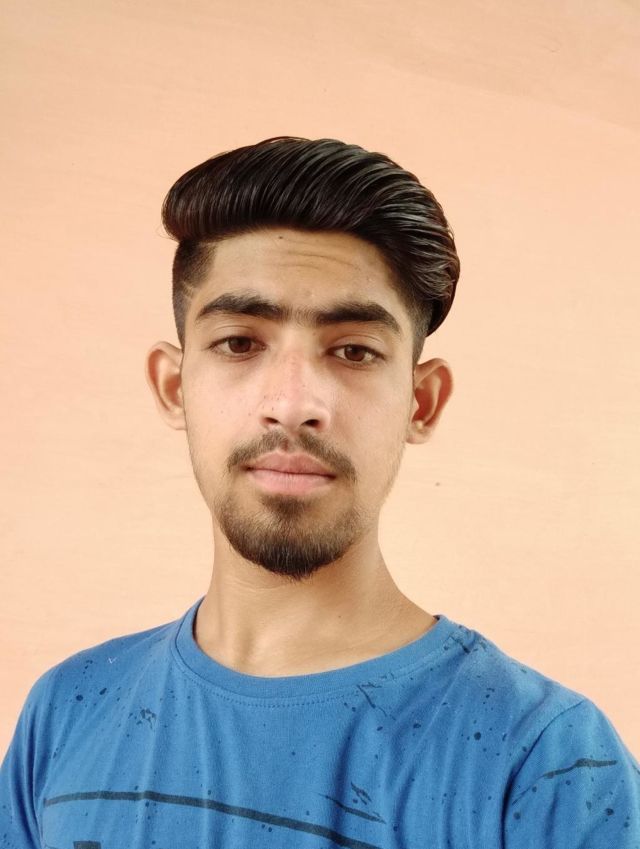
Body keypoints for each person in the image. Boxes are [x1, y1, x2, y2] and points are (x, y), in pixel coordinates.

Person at [1, 136, 638, 848]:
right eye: (240, 343)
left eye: (354, 350)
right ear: (175, 386)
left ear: (421, 403)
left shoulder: (549, 765)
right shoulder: (66, 713)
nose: (293, 403)